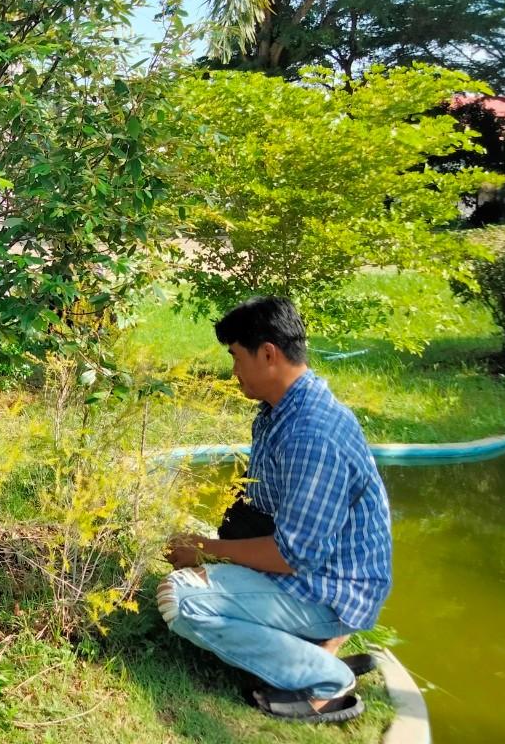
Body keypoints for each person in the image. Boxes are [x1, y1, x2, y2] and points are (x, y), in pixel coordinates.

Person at [159, 296, 392, 725]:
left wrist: (208, 551)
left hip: (331, 587)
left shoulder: (311, 432)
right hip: (319, 572)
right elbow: (263, 509)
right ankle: (317, 646)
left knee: (181, 599)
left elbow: (295, 555)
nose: (233, 371)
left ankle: (328, 679)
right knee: (195, 578)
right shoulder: (278, 411)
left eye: (235, 357)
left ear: (268, 354)